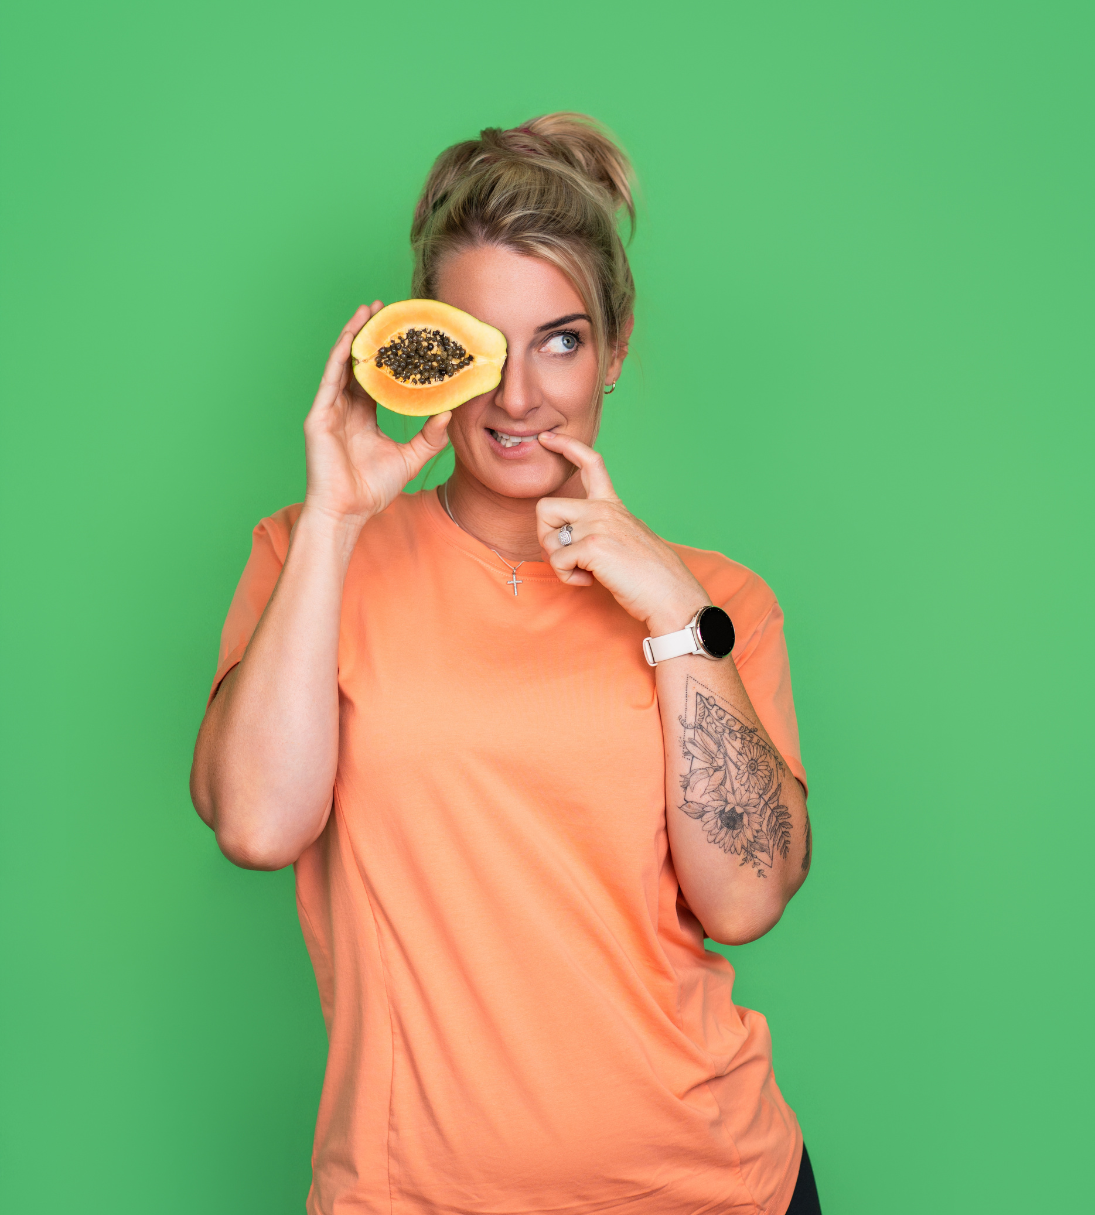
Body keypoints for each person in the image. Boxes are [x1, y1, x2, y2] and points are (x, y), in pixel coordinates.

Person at [190, 112, 821, 1215]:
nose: (518, 396)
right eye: (480, 346)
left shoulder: (720, 603)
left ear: (615, 350)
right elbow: (255, 824)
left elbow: (746, 896)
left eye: (561, 341)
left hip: (711, 1186)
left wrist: (675, 612)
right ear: (427, 354)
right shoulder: (311, 560)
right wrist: (334, 519)